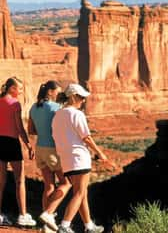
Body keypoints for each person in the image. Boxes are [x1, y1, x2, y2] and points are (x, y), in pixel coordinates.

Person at [52, 83, 115, 233]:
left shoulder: (58, 115)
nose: (84, 100)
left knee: (81, 193)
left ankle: (89, 226)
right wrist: (100, 153)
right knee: (80, 193)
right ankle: (65, 225)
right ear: (73, 97)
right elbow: (86, 137)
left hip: (66, 158)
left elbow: (57, 136)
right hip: (79, 157)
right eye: (81, 97)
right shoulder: (77, 114)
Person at [28, 80, 71, 233]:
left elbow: (31, 130)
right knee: (67, 183)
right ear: (50, 92)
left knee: (49, 186)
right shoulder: (57, 108)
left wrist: (43, 129)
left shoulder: (34, 107)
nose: (59, 95)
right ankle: (49, 214)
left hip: (40, 149)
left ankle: (47, 227)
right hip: (53, 149)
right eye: (58, 92)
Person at [0, 77, 36, 227]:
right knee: (19, 180)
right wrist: (28, 145)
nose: (21, 92)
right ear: (11, 88)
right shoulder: (15, 104)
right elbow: (19, 128)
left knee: (0, 181)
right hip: (11, 143)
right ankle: (23, 215)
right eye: (19, 89)